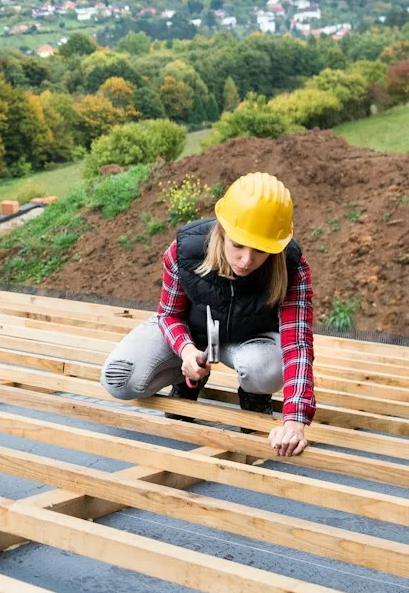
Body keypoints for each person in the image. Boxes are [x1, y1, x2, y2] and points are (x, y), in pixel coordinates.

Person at [99, 171, 314, 456]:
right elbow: (169, 315)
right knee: (119, 379)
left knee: (267, 369)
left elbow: (296, 342)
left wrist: (295, 420)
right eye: (237, 244)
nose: (247, 260)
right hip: (193, 332)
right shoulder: (184, 250)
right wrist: (187, 352)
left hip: (250, 340)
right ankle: (188, 378)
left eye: (260, 250)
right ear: (221, 231)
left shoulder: (292, 266)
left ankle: (254, 396)